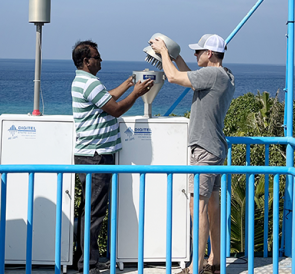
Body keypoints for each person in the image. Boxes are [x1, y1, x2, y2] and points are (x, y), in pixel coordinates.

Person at [150, 34, 235, 274]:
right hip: (216, 148)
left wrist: (165, 51)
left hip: (204, 150)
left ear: (209, 54)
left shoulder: (212, 75)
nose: (195, 55)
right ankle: (215, 260)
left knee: (196, 206)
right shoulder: (225, 75)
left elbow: (174, 77)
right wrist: (176, 57)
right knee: (212, 206)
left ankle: (195, 266)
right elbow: (191, 76)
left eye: (198, 52)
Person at [71, 40, 153, 274]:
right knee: (94, 212)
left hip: (89, 154)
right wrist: (136, 93)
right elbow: (115, 109)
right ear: (86, 61)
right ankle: (89, 265)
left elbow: (107, 97)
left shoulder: (84, 81)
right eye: (97, 57)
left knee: (88, 209)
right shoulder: (90, 83)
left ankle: (84, 260)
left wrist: (129, 83)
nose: (100, 60)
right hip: (96, 156)